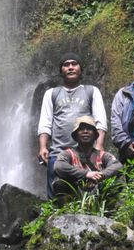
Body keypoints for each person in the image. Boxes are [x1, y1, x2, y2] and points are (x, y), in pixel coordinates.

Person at [36, 52, 107, 198]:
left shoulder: (91, 91)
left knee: (88, 196)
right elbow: (45, 122)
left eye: (74, 64)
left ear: (81, 69)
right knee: (57, 196)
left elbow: (100, 121)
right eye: (66, 64)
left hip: (86, 154)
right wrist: (43, 147)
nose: (70, 67)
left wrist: (99, 146)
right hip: (57, 153)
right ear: (61, 71)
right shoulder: (52, 94)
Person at [52, 116, 123, 197]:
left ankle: (115, 208)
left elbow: (117, 166)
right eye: (81, 129)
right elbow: (59, 166)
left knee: (119, 177)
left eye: (89, 129)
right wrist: (86, 174)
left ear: (94, 135)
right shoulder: (68, 154)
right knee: (59, 182)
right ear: (76, 135)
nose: (85, 131)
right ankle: (66, 209)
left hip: (99, 195)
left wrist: (100, 176)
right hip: (75, 195)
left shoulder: (103, 155)